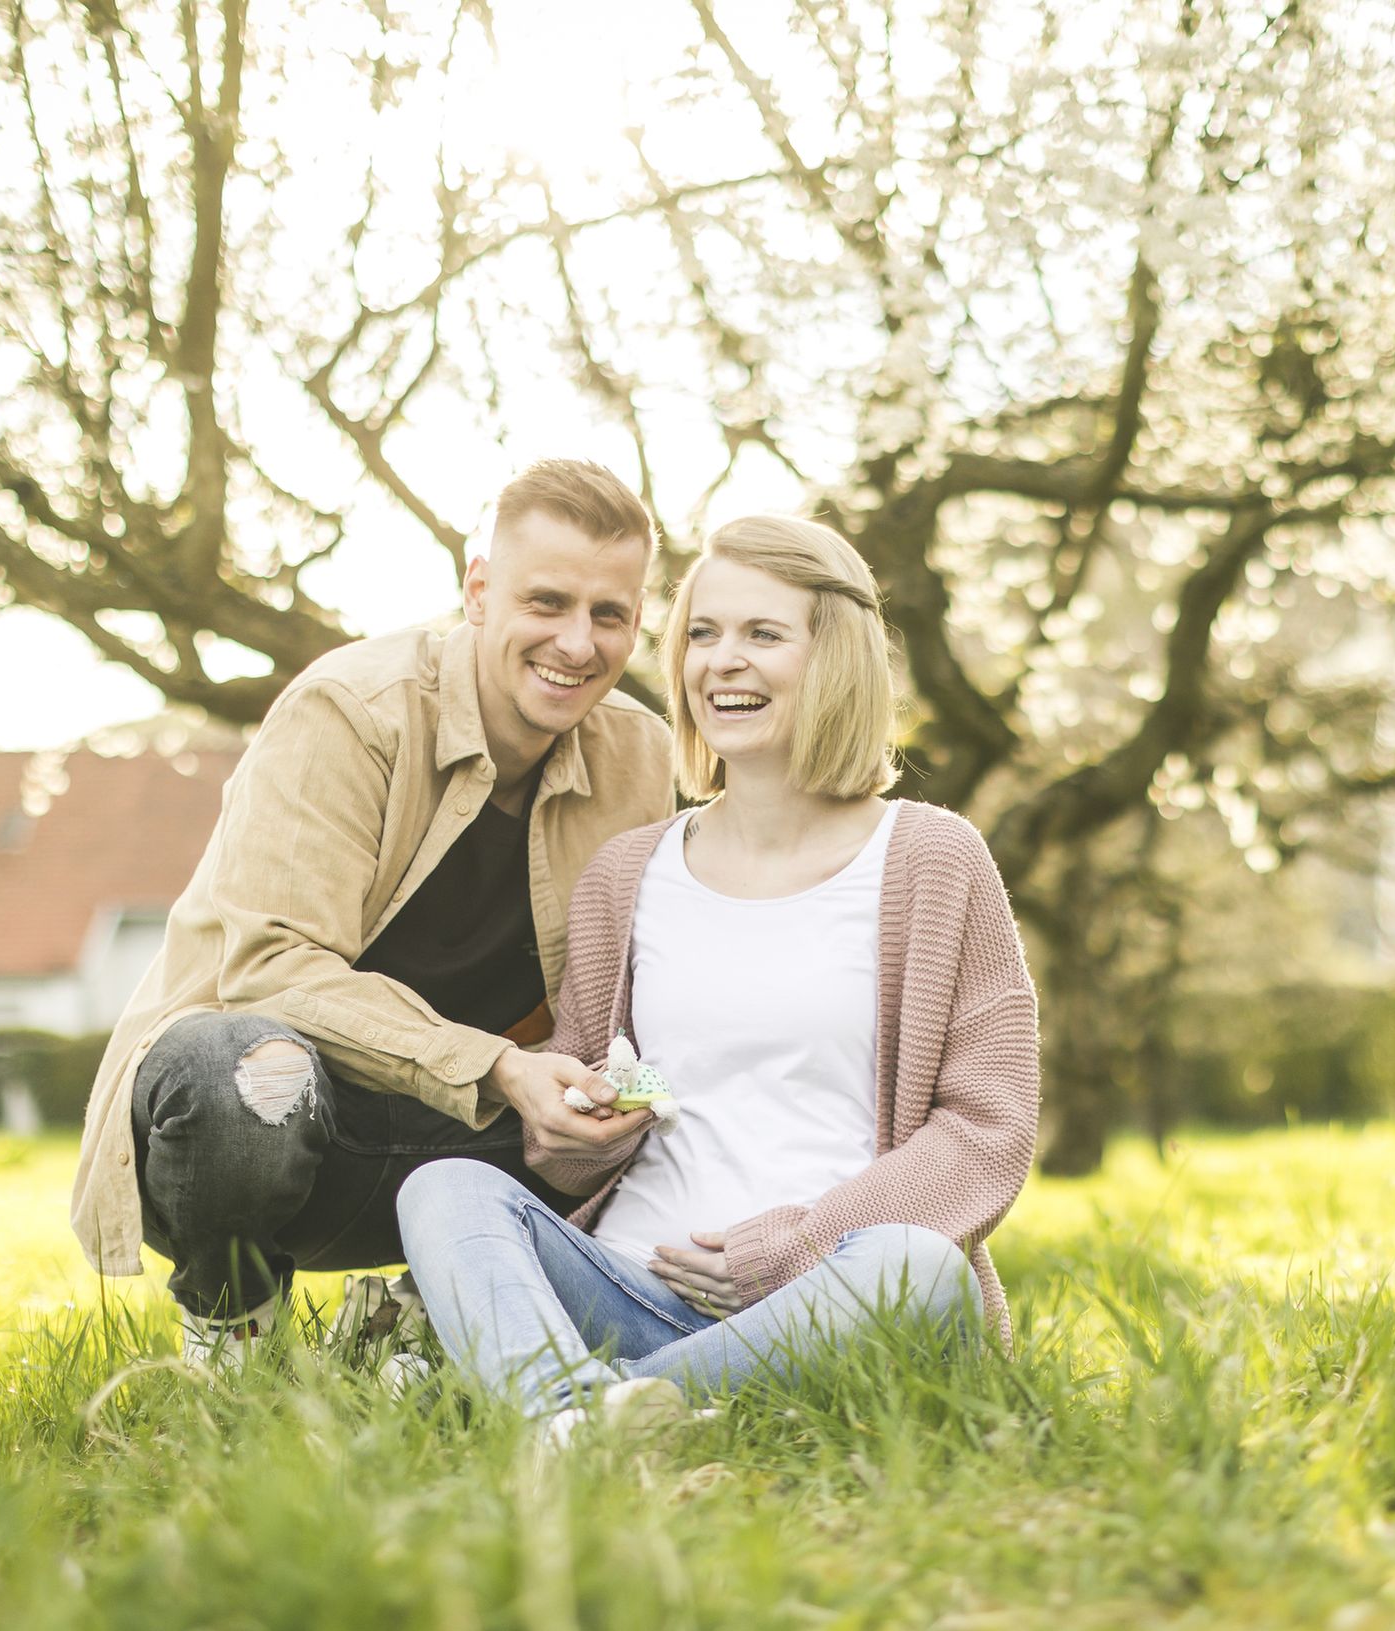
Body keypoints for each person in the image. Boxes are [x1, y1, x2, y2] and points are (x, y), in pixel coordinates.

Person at [395, 514, 1039, 1436]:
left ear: (836, 657)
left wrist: (793, 1247)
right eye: (702, 634)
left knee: (921, 1269)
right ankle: (604, 1419)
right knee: (444, 1189)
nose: (721, 661)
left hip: (832, 1293)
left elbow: (986, 1132)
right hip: (627, 1284)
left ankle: (577, 1408)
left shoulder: (934, 859)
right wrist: (592, 1115)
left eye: (762, 634)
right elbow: (589, 1131)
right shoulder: (627, 872)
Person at [68, 461, 676, 1367]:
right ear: (478, 590)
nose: (578, 643)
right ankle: (233, 1335)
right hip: (274, 1115)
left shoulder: (641, 754)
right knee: (246, 1069)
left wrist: (609, 1091)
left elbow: (631, 993)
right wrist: (498, 1067)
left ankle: (421, 1323)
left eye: (610, 614)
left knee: (648, 1102)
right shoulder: (349, 712)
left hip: (466, 1134)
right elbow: (269, 968)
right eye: (546, 603)